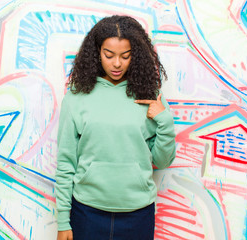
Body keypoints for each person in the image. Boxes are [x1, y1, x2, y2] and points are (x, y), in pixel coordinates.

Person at [55, 15, 176, 240]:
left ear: (135, 56)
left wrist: (164, 121)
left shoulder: (149, 97)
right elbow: (65, 163)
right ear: (96, 53)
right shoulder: (77, 98)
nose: (117, 63)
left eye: (125, 56)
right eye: (109, 55)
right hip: (87, 212)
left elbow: (162, 161)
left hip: (138, 214)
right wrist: (63, 219)